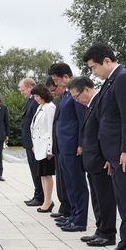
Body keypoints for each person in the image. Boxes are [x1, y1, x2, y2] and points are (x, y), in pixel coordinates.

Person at [83, 44, 126, 250]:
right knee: (122, 200)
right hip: (116, 154)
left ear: (107, 61)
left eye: (94, 67)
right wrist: (111, 156)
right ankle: (125, 243)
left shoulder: (123, 78)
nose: (93, 73)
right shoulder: (112, 80)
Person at [68, 76, 117, 247]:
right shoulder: (89, 106)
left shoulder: (100, 103)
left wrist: (109, 157)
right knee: (97, 199)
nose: (76, 99)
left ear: (87, 90)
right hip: (92, 161)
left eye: (77, 96)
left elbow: (106, 132)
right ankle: (100, 229)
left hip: (101, 160)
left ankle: (108, 233)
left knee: (105, 199)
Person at [49, 63, 89, 232]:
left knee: (77, 184)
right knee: (70, 184)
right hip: (63, 146)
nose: (56, 84)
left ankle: (80, 220)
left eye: (57, 80)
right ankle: (72, 216)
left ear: (66, 76)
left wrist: (81, 143)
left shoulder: (76, 94)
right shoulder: (65, 95)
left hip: (73, 146)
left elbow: (82, 120)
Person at [46, 78, 72, 220]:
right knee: (62, 181)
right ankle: (64, 207)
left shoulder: (71, 97)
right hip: (60, 146)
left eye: (54, 89)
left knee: (69, 182)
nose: (53, 93)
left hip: (68, 146)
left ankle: (70, 211)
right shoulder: (62, 99)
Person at [30, 84, 56, 213]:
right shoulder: (41, 107)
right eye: (34, 96)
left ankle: (48, 201)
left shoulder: (50, 107)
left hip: (46, 148)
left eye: (37, 96)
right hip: (39, 146)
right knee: (42, 175)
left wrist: (50, 149)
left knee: (47, 174)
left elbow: (51, 128)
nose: (35, 98)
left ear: (43, 95)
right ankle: (47, 200)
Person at [19, 78, 42, 206]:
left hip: (33, 144)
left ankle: (40, 196)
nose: (21, 92)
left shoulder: (35, 102)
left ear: (30, 88)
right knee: (34, 171)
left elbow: (36, 124)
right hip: (29, 143)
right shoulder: (30, 101)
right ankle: (37, 194)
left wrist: (34, 143)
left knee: (37, 170)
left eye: (23, 89)